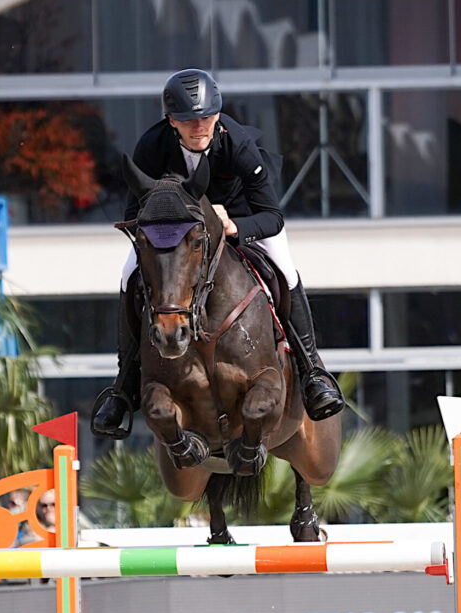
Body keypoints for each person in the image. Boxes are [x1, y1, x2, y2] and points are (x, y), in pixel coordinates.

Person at [91, 68, 344, 439]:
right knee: (130, 276)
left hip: (242, 221)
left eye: (207, 117)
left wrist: (234, 226)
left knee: (285, 270)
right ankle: (124, 386)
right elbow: (135, 213)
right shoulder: (152, 147)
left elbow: (272, 216)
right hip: (179, 235)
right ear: (171, 120)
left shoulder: (236, 144)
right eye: (189, 120)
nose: (200, 127)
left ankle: (312, 374)